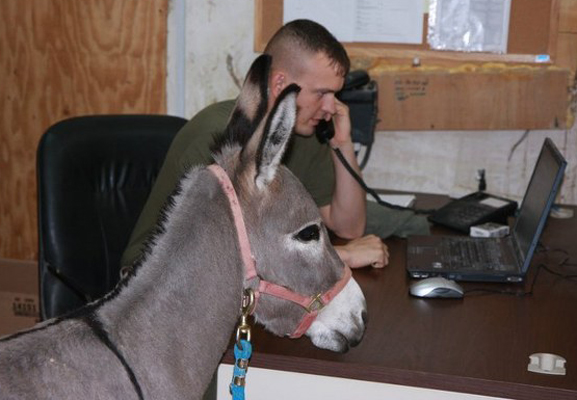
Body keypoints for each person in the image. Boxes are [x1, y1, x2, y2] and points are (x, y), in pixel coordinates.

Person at [121, 19, 391, 275]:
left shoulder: (305, 131)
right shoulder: (220, 138)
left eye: (336, 94)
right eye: (321, 93)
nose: (331, 107)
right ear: (280, 84)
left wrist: (342, 144)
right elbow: (227, 253)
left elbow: (349, 228)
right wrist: (341, 257)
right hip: (153, 281)